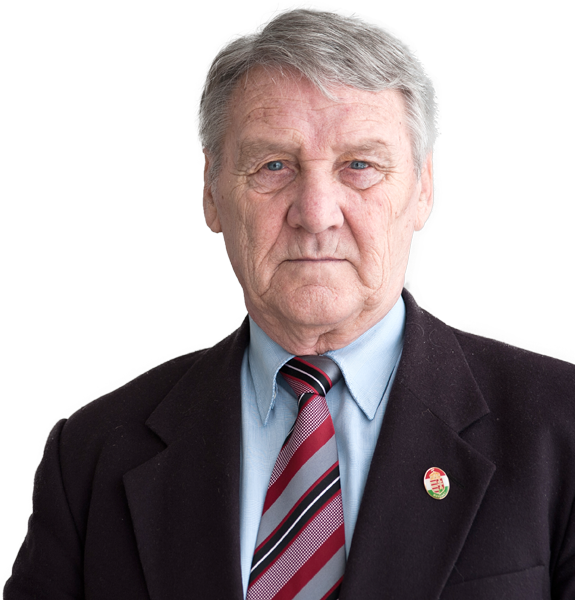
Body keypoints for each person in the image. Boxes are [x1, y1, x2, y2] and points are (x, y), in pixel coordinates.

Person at [4, 9, 575, 600]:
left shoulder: (561, 430)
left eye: (360, 165)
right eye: (273, 166)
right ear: (211, 194)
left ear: (423, 187)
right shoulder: (91, 457)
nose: (316, 213)